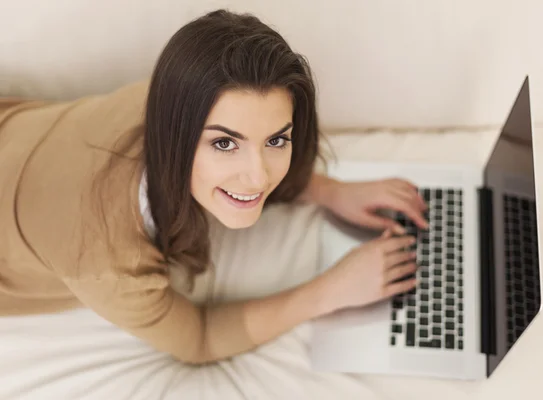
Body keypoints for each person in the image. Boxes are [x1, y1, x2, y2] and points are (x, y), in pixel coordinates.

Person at [0, 9, 428, 364]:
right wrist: (329, 292)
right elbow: (199, 340)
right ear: (178, 133)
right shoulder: (106, 261)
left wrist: (330, 190)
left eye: (276, 139)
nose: (259, 177)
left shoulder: (176, 93)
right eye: (225, 143)